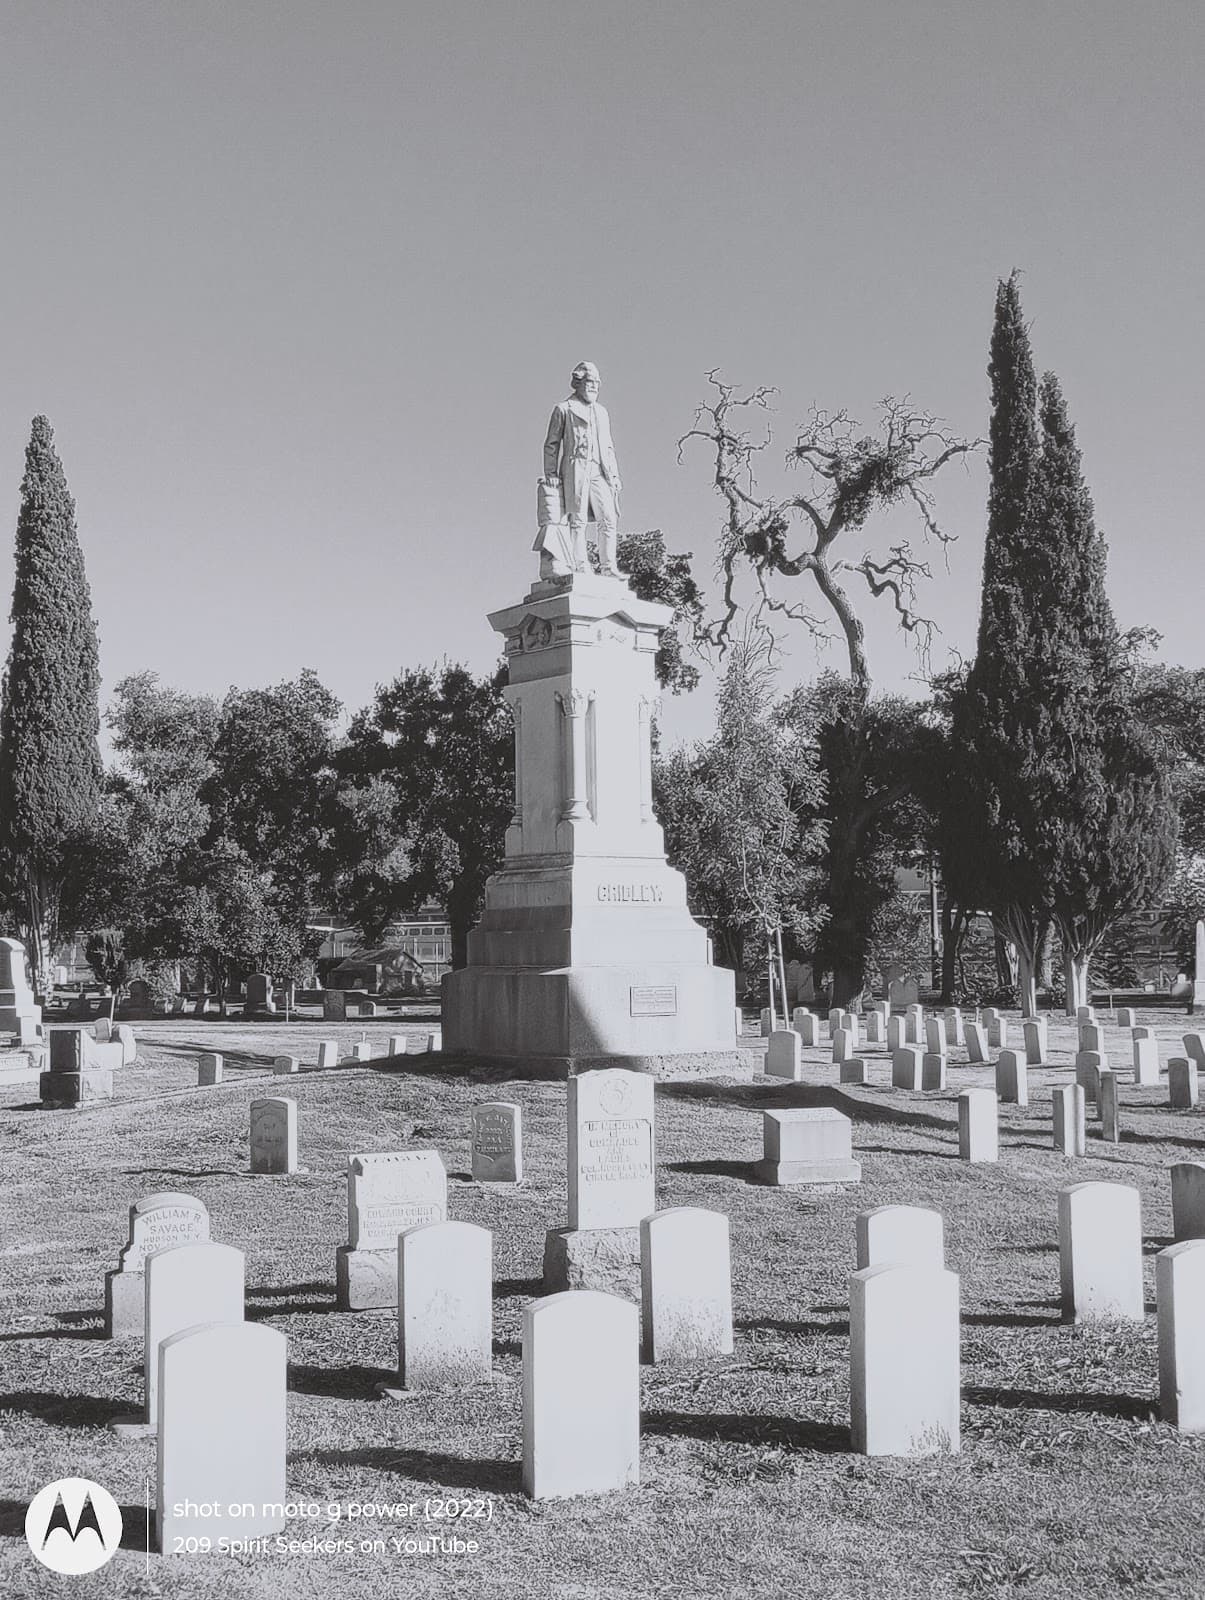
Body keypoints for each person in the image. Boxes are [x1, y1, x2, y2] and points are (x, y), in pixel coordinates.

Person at [539, 361, 622, 576]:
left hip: (600, 471)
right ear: (578, 382)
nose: (594, 386)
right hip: (575, 467)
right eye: (590, 382)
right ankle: (580, 563)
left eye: (597, 383)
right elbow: (551, 444)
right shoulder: (563, 409)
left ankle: (608, 566)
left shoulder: (602, 412)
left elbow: (609, 445)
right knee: (577, 518)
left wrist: (614, 475)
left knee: (609, 519)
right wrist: (551, 474)